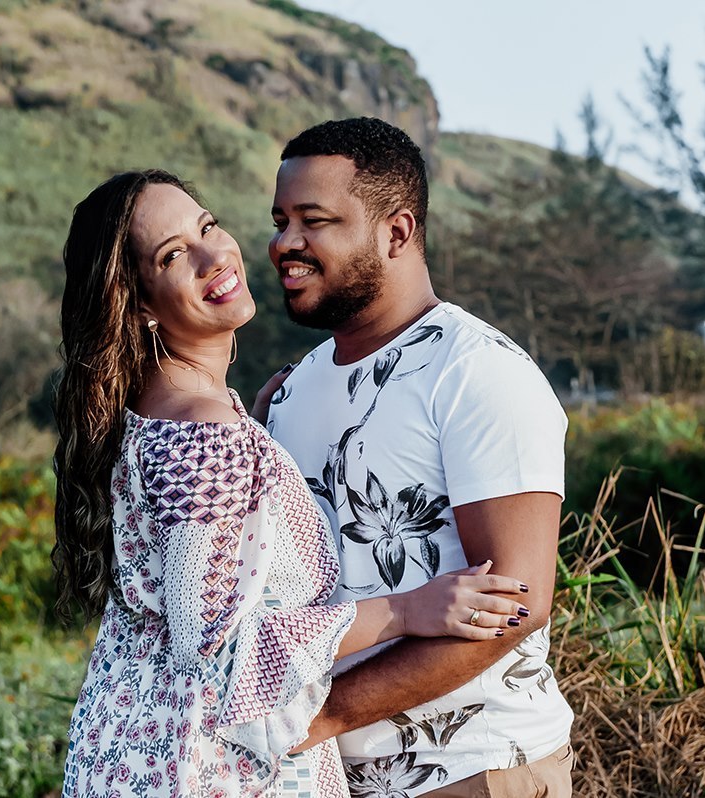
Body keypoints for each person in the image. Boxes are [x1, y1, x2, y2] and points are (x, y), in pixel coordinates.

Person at [53, 169, 533, 798]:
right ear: (137, 303)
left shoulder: (159, 416)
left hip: (136, 752)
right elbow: (219, 656)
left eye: (206, 227)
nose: (213, 256)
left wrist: (257, 448)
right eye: (171, 255)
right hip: (208, 772)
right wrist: (406, 610)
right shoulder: (206, 437)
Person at [261, 118, 575, 797]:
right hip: (321, 774)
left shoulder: (477, 372)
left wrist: (323, 716)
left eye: (314, 220)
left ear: (397, 232)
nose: (285, 242)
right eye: (281, 221)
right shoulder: (291, 391)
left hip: (469, 768)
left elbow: (519, 602)